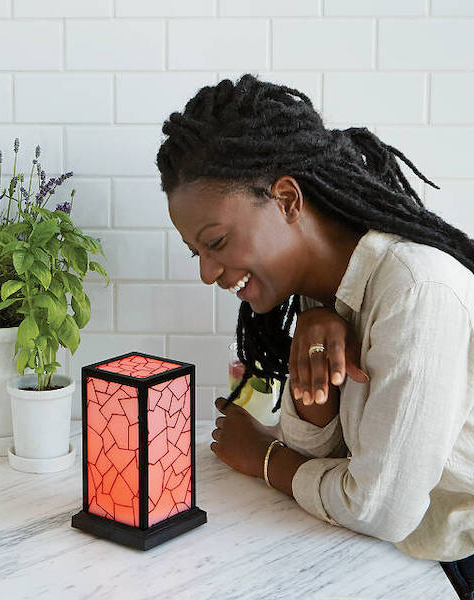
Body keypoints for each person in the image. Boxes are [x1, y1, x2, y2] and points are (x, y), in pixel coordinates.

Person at [156, 73, 474, 599]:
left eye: (215, 242)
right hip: (394, 560)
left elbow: (380, 508)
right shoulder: (320, 295)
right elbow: (321, 451)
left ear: (285, 199)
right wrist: (316, 332)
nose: (208, 273)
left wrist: (263, 458)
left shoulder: (416, 289)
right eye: (198, 253)